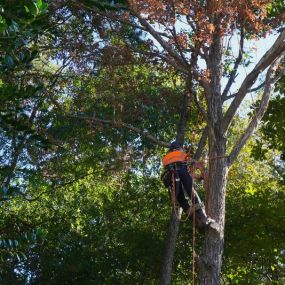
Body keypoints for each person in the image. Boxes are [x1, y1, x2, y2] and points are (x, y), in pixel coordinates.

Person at [161, 141, 209, 229]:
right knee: (192, 193)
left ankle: (195, 220)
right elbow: (193, 162)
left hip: (172, 178)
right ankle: (203, 217)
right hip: (182, 173)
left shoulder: (165, 158)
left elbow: (165, 171)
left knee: (181, 200)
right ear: (179, 148)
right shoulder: (181, 153)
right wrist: (199, 168)